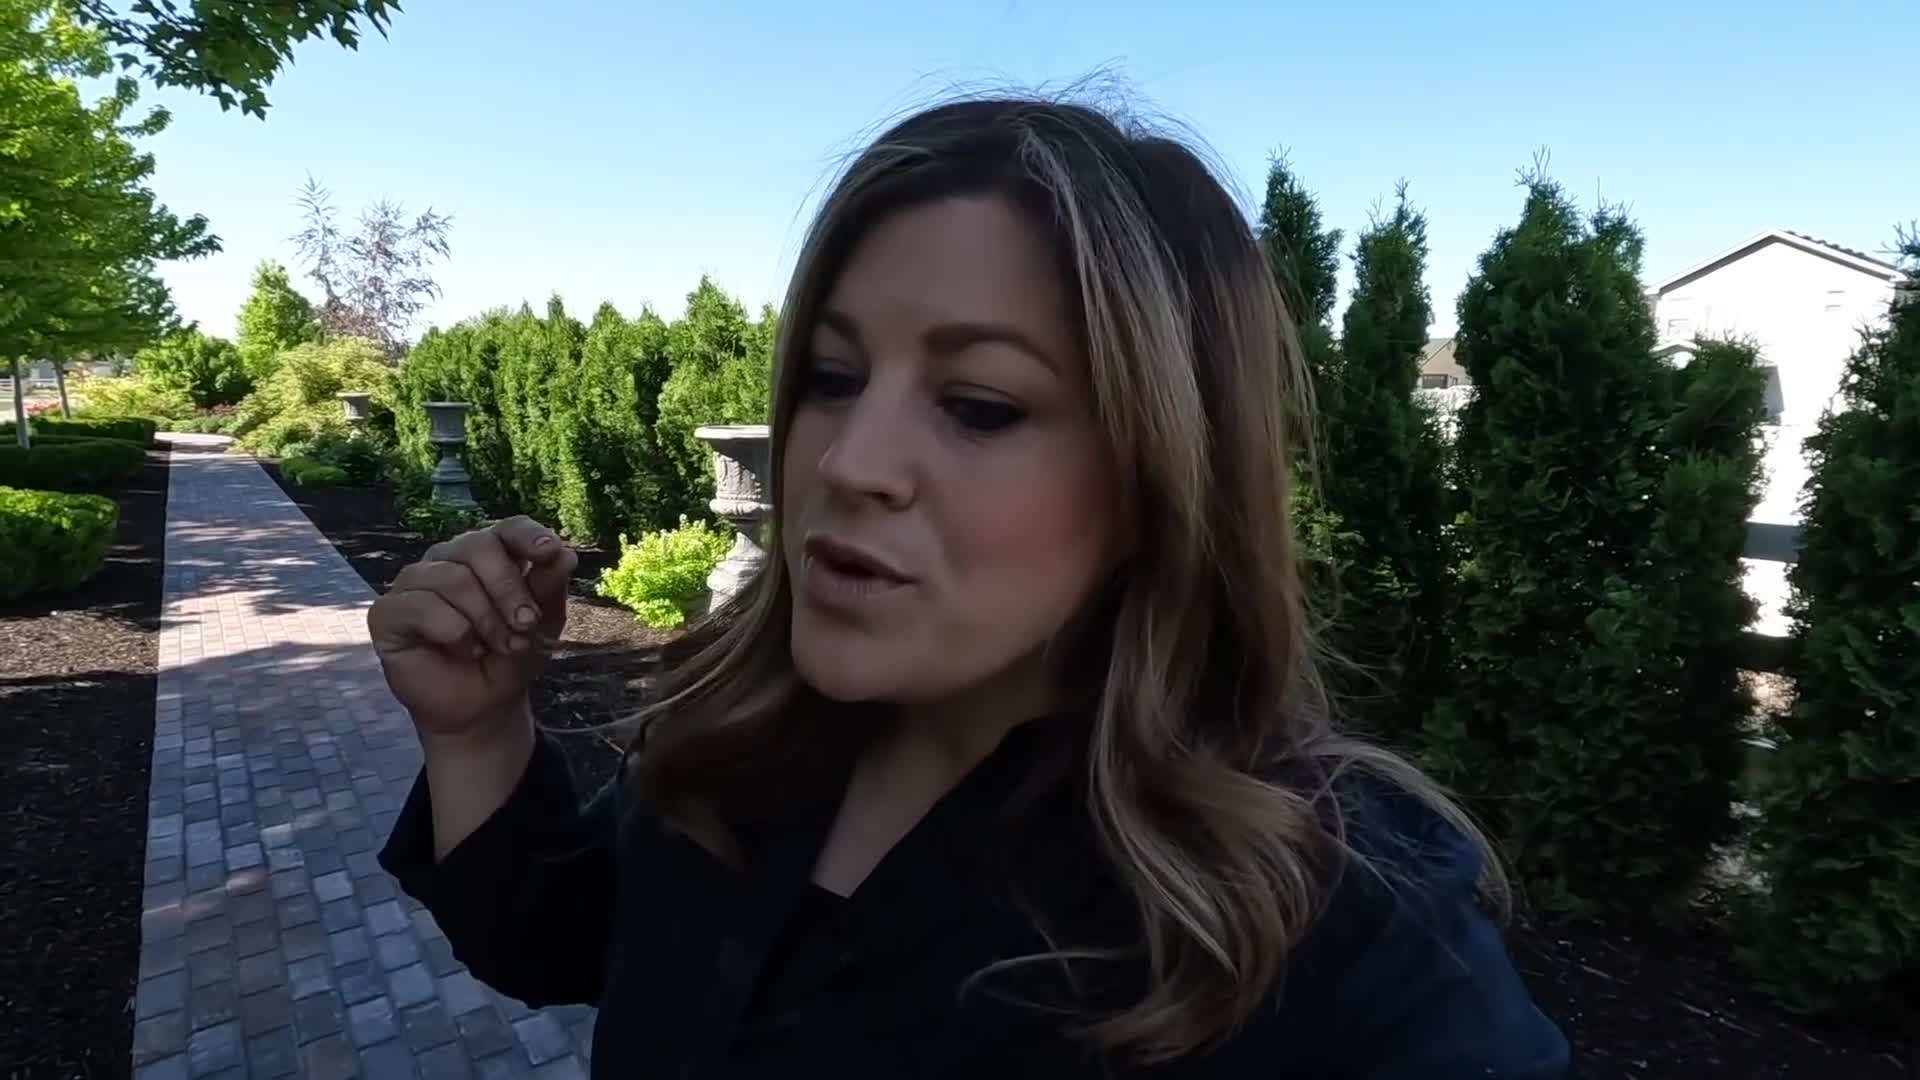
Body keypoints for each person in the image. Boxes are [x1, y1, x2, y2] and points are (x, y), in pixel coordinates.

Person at [371, 96, 1571, 1077]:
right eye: (834, 377)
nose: (847, 463)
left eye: (980, 406)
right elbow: (565, 944)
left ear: (1165, 474)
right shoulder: (746, 746)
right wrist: (478, 734)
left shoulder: (1322, 922)